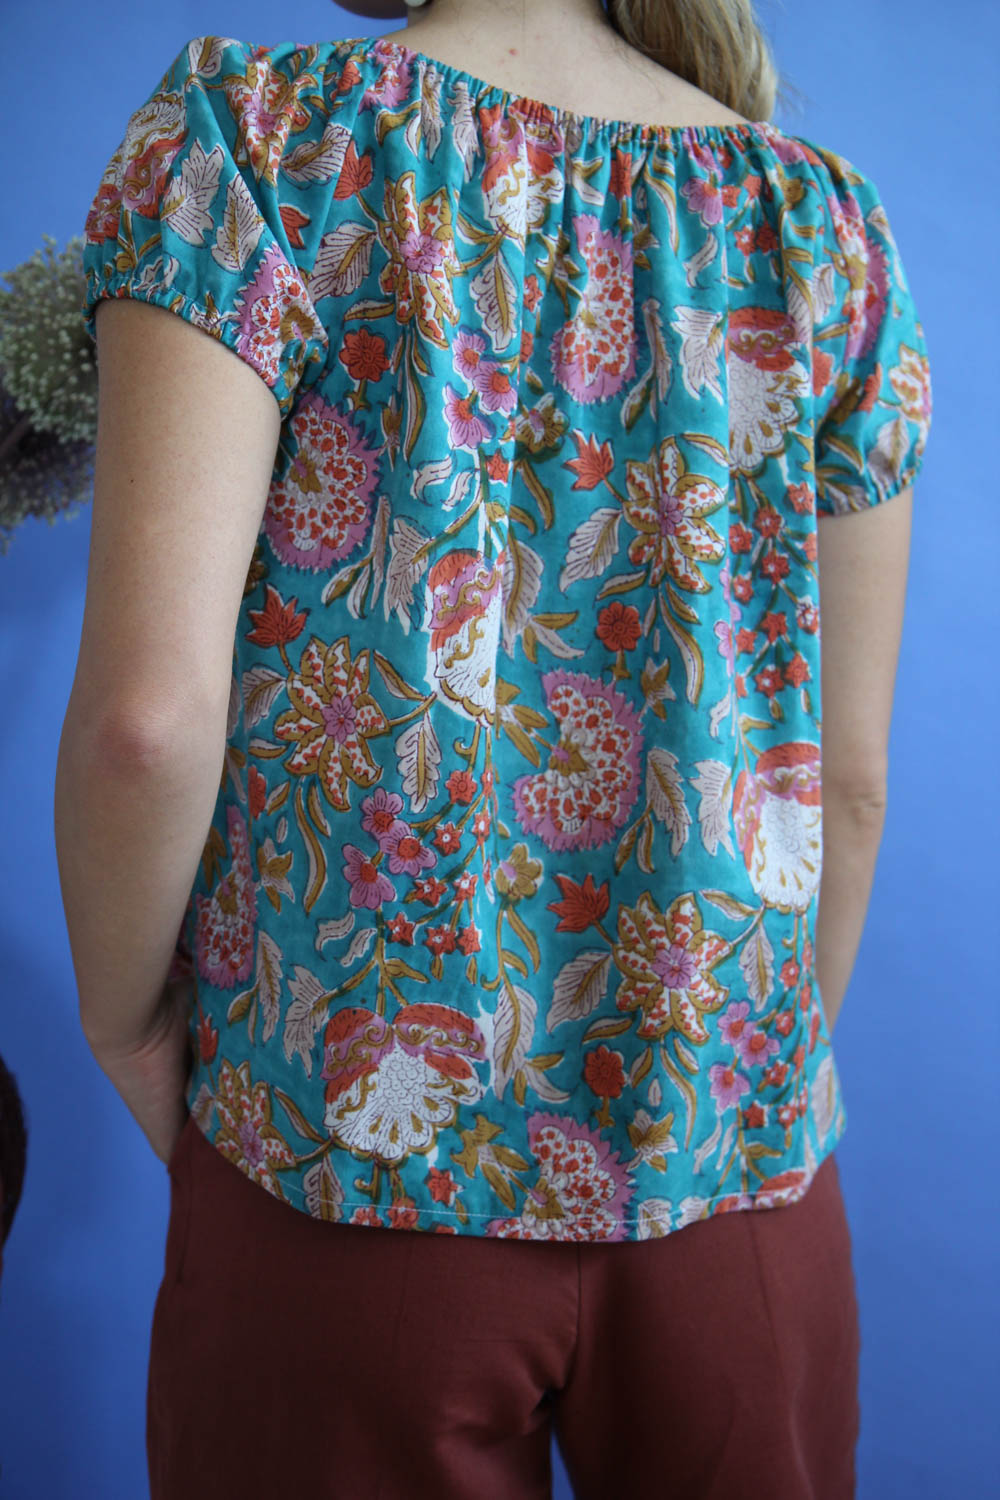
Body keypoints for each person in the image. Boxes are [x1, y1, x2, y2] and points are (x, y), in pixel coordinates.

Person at [57, 0, 932, 1494]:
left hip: (342, 1178)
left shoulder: (264, 143)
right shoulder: (824, 228)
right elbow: (843, 792)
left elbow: (148, 726)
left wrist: (127, 1028)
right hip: (739, 1197)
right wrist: (731, 1101)